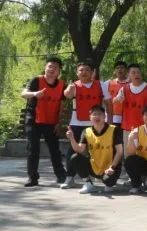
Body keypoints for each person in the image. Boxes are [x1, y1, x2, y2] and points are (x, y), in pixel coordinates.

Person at [22, 56, 67, 187]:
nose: (52, 69)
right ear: (45, 68)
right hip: (34, 120)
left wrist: (59, 122)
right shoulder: (36, 80)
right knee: (33, 149)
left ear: (59, 70)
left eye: (55, 67)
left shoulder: (62, 84)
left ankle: (61, 175)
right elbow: (23, 93)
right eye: (50, 66)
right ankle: (32, 178)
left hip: (51, 122)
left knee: (54, 149)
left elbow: (61, 104)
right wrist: (34, 94)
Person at [62, 61, 107, 187]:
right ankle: (69, 177)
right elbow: (67, 95)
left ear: (92, 72)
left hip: (96, 123)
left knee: (98, 149)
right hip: (77, 122)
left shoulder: (101, 85)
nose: (84, 72)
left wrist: (109, 121)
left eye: (87, 70)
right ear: (77, 73)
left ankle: (100, 174)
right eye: (81, 70)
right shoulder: (74, 86)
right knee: (72, 150)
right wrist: (69, 88)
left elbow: (108, 103)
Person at [66, 105, 122, 193]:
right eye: (94, 114)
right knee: (75, 157)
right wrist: (72, 138)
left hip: (110, 168)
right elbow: (79, 149)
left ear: (104, 117)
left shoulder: (114, 130)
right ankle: (88, 184)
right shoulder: (86, 131)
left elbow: (119, 152)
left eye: (99, 114)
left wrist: (112, 167)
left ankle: (108, 183)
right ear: (90, 117)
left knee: (108, 182)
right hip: (94, 166)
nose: (97, 117)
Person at [104, 61, 129, 130]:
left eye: (122, 68)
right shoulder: (108, 83)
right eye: (117, 68)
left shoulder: (131, 84)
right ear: (114, 71)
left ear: (126, 70)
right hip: (111, 118)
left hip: (127, 118)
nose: (119, 70)